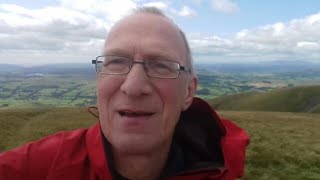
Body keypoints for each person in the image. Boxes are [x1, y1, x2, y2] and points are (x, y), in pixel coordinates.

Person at [0, 7, 249, 180]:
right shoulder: (40, 166)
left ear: (188, 92)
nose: (133, 86)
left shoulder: (218, 171)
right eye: (116, 61)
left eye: (161, 65)